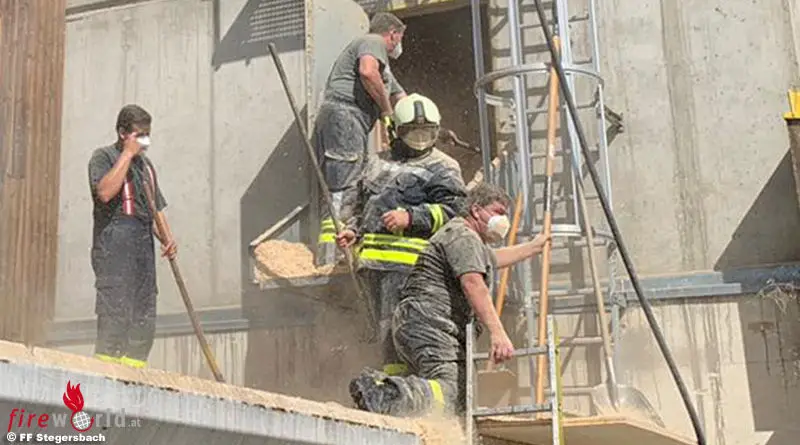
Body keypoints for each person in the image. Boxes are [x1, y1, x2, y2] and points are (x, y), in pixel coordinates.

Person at [348, 183, 548, 417]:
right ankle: (387, 392)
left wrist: (533, 247)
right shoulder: (463, 236)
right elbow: (473, 284)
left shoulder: (466, 239)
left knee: (447, 391)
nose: (503, 221)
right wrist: (498, 333)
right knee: (453, 392)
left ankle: (392, 395)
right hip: (431, 323)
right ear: (476, 210)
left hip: (420, 322)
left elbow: (492, 259)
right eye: (498, 212)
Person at [336, 93, 467, 375]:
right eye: (412, 132)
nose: (419, 139)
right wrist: (353, 230)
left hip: (413, 268)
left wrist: (412, 217)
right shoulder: (375, 163)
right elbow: (361, 205)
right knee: (379, 334)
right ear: (396, 129)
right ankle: (386, 384)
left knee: (402, 331)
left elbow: (455, 211)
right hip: (372, 268)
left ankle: (402, 387)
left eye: (426, 132)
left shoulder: (443, 167)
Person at [314, 12, 408, 267]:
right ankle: (331, 258)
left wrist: (429, 124)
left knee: (352, 181)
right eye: (400, 38)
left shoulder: (385, 69)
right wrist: (386, 111)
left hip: (349, 120)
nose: (400, 44)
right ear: (393, 34)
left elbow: (403, 99)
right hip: (345, 115)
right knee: (344, 184)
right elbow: (367, 72)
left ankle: (339, 249)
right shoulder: (372, 41)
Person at [87, 104, 177, 369]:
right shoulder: (103, 157)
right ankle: (106, 373)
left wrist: (167, 238)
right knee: (115, 313)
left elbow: (155, 209)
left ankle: (135, 375)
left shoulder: (146, 167)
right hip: (114, 250)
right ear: (122, 133)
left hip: (143, 250)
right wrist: (127, 154)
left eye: (147, 135)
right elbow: (105, 193)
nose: (144, 142)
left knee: (144, 314)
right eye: (139, 135)